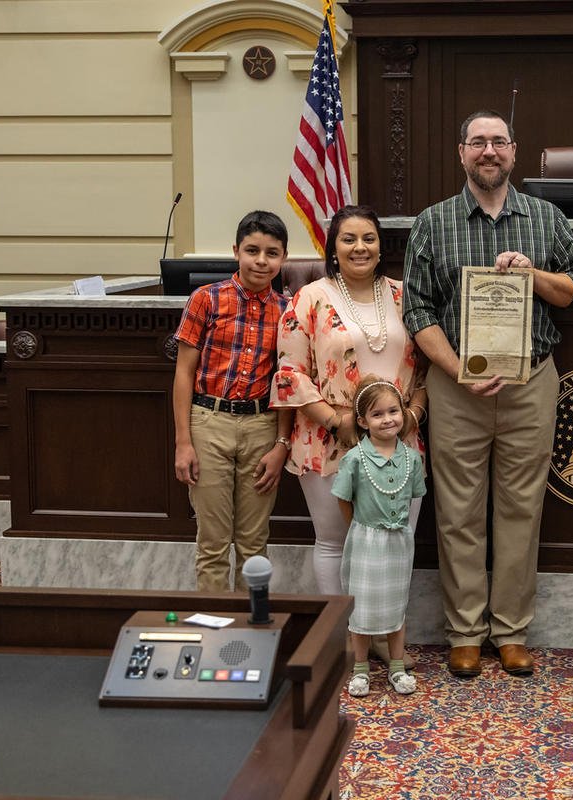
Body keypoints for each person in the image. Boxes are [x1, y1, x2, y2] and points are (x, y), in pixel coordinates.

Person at [403, 109, 573, 679]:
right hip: (456, 383)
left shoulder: (546, 217)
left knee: (521, 509)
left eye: (500, 142)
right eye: (478, 142)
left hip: (529, 381)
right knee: (458, 511)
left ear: (515, 152)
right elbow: (417, 309)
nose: (489, 151)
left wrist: (532, 273)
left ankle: (510, 631)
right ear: (461, 152)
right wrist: (459, 368)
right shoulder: (432, 224)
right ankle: (465, 631)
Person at [271, 205, 427, 669]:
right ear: (332, 249)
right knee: (335, 541)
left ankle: (383, 637)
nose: (360, 247)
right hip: (328, 437)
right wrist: (335, 419)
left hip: (400, 442)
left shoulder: (405, 296)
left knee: (396, 540)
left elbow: (426, 367)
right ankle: (339, 636)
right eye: (348, 239)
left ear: (381, 246)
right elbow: (289, 373)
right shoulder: (309, 298)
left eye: (369, 239)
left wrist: (414, 413)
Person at [173, 210, 293, 592]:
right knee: (212, 542)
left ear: (284, 258)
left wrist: (281, 445)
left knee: (255, 544)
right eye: (252, 250)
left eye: (272, 253)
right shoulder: (206, 300)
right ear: (236, 251)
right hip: (209, 422)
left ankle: (251, 633)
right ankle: (215, 631)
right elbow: (183, 374)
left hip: (261, 427)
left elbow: (289, 382)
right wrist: (183, 442)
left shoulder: (286, 311)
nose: (262, 260)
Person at [331, 375, 427, 697]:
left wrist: (397, 528)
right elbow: (343, 499)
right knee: (362, 607)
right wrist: (360, 526)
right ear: (362, 421)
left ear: (403, 412)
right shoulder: (355, 459)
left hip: (398, 542)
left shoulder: (412, 458)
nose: (387, 419)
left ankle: (396, 666)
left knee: (396, 605)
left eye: (393, 411)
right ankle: (360, 667)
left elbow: (414, 496)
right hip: (365, 540)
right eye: (377, 414)